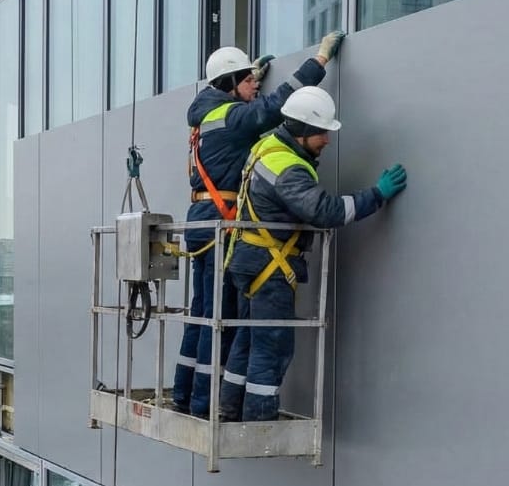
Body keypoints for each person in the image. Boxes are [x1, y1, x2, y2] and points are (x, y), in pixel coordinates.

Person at [172, 31, 347, 417]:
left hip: (203, 220)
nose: (255, 84)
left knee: (202, 313)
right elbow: (276, 108)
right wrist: (318, 61)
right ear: (231, 84)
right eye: (248, 79)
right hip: (221, 221)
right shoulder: (232, 116)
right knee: (219, 318)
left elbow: (246, 114)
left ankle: (186, 395)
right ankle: (203, 403)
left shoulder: (207, 113)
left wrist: (252, 77)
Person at [220, 86, 408, 422]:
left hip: (249, 261)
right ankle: (259, 420)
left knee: (247, 339)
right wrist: (376, 195)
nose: (327, 140)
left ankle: (229, 407)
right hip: (269, 267)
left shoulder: (266, 147)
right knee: (272, 346)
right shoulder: (287, 167)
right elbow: (327, 212)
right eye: (322, 133)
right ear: (303, 131)